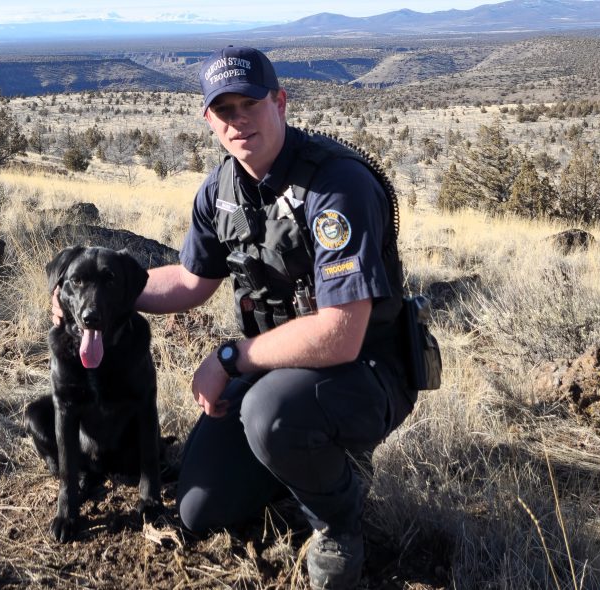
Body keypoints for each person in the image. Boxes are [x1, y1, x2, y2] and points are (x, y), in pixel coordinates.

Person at [54, 46, 417, 589]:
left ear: (280, 102)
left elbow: (341, 334)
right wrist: (90, 298)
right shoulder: (221, 191)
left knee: (270, 415)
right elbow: (189, 281)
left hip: (365, 369)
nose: (238, 120)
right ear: (209, 120)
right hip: (278, 366)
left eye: (249, 104)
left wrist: (232, 357)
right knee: (199, 510)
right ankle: (296, 469)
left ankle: (337, 517)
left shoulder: (337, 185)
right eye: (224, 110)